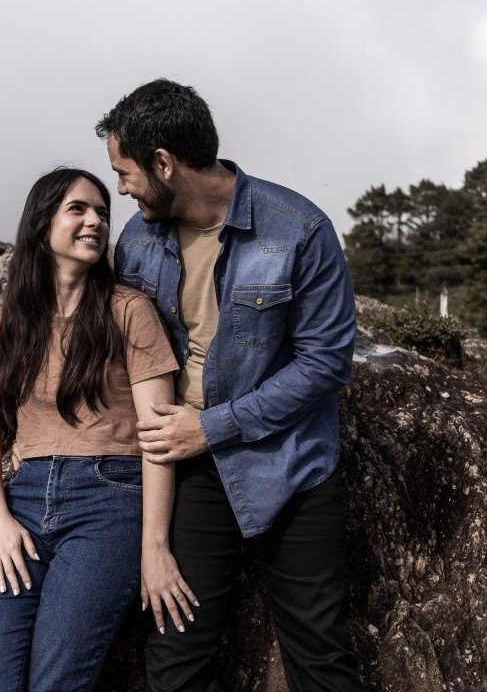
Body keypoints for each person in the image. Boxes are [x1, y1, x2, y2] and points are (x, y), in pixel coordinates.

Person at [97, 80, 367, 691]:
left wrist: (211, 426)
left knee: (321, 659)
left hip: (291, 464)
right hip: (190, 469)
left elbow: (325, 362)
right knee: (176, 661)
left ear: (163, 163)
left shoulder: (299, 229)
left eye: (125, 172)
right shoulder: (136, 242)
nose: (122, 189)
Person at [0, 167, 197, 692]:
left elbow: (158, 437)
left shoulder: (129, 311)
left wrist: (154, 547)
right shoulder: (15, 317)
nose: (95, 221)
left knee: (58, 681)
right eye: (78, 209)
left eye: (102, 213)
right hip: (23, 501)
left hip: (109, 503)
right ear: (43, 222)